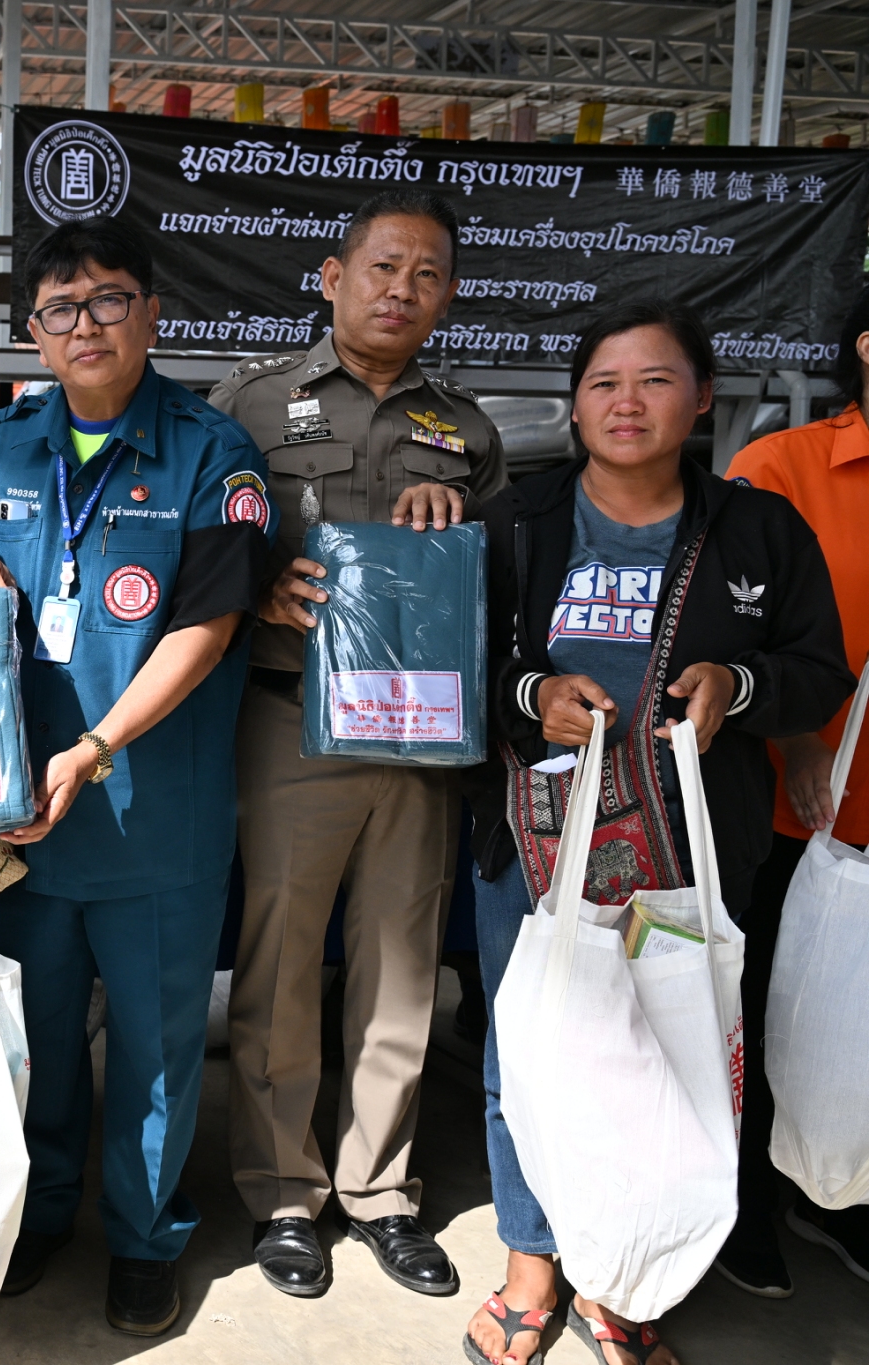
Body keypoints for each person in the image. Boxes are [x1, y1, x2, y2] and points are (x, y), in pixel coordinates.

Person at [462, 300, 852, 1365]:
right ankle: (530, 1266)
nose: (625, 403)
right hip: (536, 843)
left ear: (701, 399)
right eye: (603, 383)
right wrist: (531, 692)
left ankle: (623, 1277)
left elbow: (818, 671)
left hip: (690, 847)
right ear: (574, 406)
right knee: (528, 1046)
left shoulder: (757, 529)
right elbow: (457, 665)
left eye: (654, 380)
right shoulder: (517, 521)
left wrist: (740, 682)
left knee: (670, 1052)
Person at [0, 216, 274, 1336]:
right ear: (34, 334)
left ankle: (142, 1234)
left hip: (152, 816)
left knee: (156, 1043)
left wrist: (94, 746)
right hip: (22, 823)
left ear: (151, 312)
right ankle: (42, 1210)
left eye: (109, 300)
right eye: (60, 309)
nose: (86, 325)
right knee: (33, 1034)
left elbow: (208, 626)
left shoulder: (211, 454)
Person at [207, 187, 506, 1301]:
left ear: (448, 297)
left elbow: (497, 585)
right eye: (383, 267)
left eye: (426, 275)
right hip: (291, 716)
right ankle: (284, 1192)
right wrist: (256, 591)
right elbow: (202, 544)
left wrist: (459, 542)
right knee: (282, 961)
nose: (401, 291)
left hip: (420, 732)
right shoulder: (250, 404)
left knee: (402, 962)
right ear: (332, 278)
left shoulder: (469, 432)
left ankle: (380, 1189)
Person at [719, 283, 869, 1296]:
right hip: (794, 808)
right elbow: (728, 629)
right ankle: (747, 1202)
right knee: (770, 1008)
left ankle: (838, 1194)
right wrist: (794, 731)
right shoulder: (782, 468)